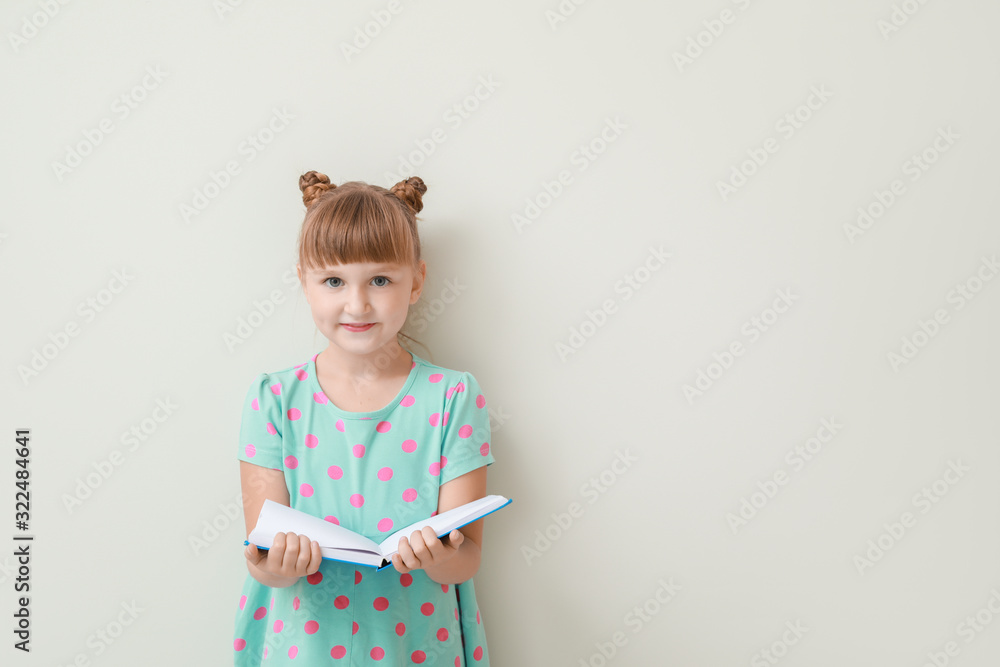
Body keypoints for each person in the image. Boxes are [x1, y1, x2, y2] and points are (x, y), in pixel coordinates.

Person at [232, 170, 496, 665]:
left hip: (415, 644)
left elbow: (466, 559)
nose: (357, 304)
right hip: (304, 648)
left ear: (416, 280)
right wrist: (281, 564)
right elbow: (263, 564)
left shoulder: (453, 396)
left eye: (380, 279)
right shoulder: (273, 399)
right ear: (304, 284)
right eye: (333, 281)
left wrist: (438, 556)